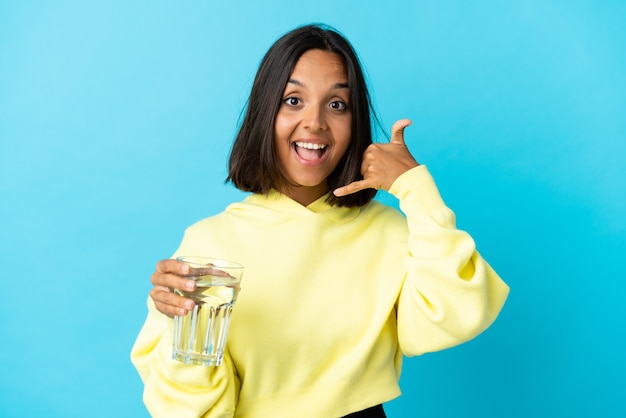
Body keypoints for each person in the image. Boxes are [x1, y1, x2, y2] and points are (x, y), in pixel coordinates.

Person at [131, 23, 509, 418]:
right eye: (293, 100)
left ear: (355, 121)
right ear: (264, 113)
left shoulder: (390, 233)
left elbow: (454, 315)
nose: (315, 122)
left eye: (336, 104)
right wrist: (182, 325)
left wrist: (416, 188)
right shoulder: (209, 244)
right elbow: (187, 410)